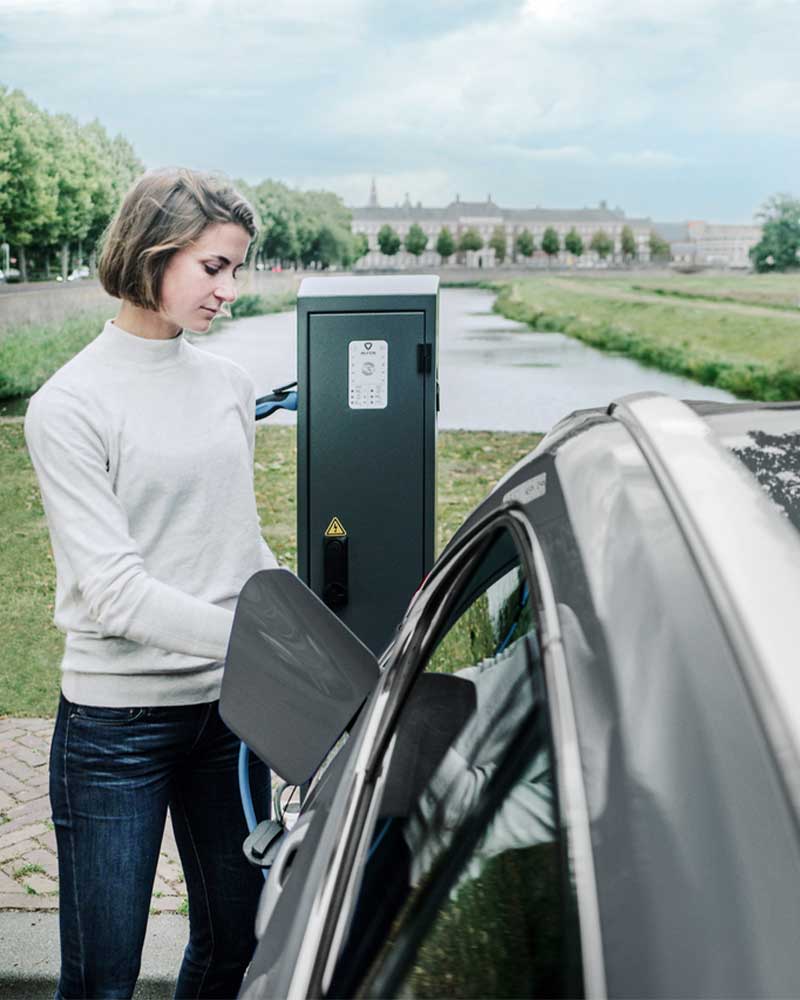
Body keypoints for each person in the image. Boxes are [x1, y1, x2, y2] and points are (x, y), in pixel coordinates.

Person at [24, 168, 277, 999]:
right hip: (114, 730)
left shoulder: (230, 387)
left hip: (228, 718)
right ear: (151, 251)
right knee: (103, 979)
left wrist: (299, 624)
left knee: (237, 949)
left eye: (237, 269)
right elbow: (116, 593)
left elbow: (239, 548)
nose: (229, 291)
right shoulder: (70, 405)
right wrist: (260, 641)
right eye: (213, 267)